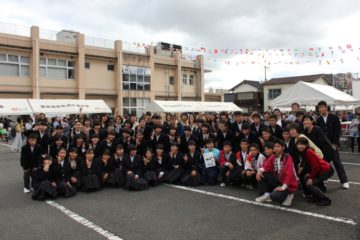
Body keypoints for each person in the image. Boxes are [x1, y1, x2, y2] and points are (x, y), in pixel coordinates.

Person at [303, 113, 349, 189]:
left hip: (330, 150)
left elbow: (325, 139)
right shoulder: (306, 132)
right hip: (321, 152)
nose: (306, 122)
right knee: (323, 167)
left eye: (307, 120)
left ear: (312, 121)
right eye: (304, 120)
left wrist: (333, 146)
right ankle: (324, 180)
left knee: (338, 165)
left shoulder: (317, 128)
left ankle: (344, 181)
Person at [316, 101, 349, 189]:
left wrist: (335, 143)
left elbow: (337, 131)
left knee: (337, 163)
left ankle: (344, 181)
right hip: (323, 146)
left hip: (333, 145)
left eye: (322, 107)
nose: (321, 109)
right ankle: (325, 179)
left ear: (326, 107)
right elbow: (319, 133)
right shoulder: (318, 120)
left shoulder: (334, 117)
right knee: (324, 164)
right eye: (319, 108)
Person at [255, 140, 298, 207]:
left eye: (278, 146)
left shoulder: (287, 157)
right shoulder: (273, 157)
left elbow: (289, 173)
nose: (276, 148)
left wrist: (283, 187)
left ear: (283, 148)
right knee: (263, 173)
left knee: (274, 196)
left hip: (288, 184)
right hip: (279, 181)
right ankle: (266, 194)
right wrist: (259, 170)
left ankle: (289, 194)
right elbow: (266, 166)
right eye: (275, 146)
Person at [296, 137, 334, 206]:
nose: (300, 146)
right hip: (322, 170)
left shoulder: (308, 152)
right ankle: (316, 197)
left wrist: (311, 177)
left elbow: (315, 167)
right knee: (305, 178)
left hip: (326, 170)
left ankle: (326, 199)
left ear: (307, 145)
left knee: (310, 183)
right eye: (298, 144)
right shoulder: (305, 152)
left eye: (302, 144)